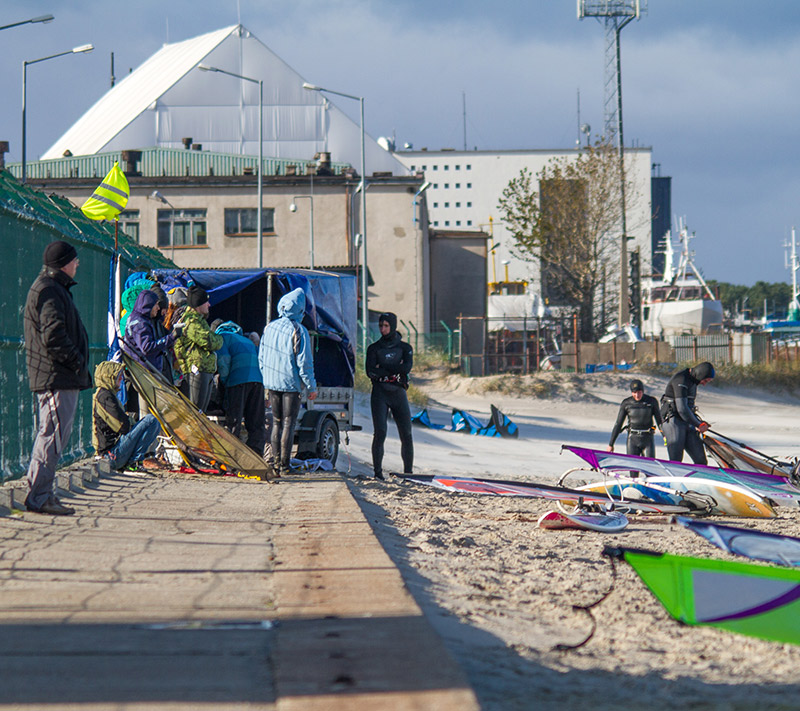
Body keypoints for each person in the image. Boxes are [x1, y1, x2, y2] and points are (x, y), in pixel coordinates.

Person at [23, 240, 92, 515]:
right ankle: (39, 497)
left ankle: (42, 493)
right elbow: (53, 335)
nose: (77, 264)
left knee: (53, 436)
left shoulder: (54, 288)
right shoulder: (49, 290)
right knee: (51, 436)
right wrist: (76, 361)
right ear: (64, 262)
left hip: (59, 376)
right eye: (74, 260)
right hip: (56, 377)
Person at [259, 288, 317, 476]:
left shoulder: (269, 327)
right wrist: (311, 386)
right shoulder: (299, 330)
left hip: (272, 383)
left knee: (276, 422)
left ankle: (275, 464)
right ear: (299, 310)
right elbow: (304, 363)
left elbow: (261, 358)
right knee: (289, 423)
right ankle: (285, 465)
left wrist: (266, 380)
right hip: (291, 385)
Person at [366, 312, 414, 480]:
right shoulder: (374, 348)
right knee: (380, 432)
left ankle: (408, 473)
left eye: (386, 326)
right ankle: (378, 474)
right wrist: (394, 369)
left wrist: (383, 369)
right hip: (380, 394)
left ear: (393, 326)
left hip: (398, 394)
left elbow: (406, 368)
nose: (382, 329)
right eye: (380, 326)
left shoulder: (405, 348)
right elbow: (370, 372)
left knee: (406, 434)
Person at [122, 289, 182, 417]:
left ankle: (153, 434)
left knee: (154, 409)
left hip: (148, 371)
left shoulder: (142, 319)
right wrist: (170, 338)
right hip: (144, 372)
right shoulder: (140, 323)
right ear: (147, 305)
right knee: (148, 410)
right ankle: (149, 436)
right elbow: (146, 347)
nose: (158, 308)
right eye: (156, 305)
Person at [92, 361, 161, 471]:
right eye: (118, 376)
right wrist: (131, 421)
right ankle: (133, 462)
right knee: (151, 420)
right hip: (111, 454)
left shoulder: (107, 394)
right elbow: (122, 426)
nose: (121, 380)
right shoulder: (104, 397)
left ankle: (134, 462)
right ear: (109, 377)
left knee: (154, 422)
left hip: (115, 451)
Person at [212, 320, 267, 456]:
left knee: (234, 421)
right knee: (256, 421)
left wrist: (224, 382)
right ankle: (255, 455)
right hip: (258, 380)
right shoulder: (246, 340)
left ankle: (232, 457)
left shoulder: (221, 337)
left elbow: (224, 362)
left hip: (238, 380)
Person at [173, 286, 222, 412]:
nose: (209, 305)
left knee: (201, 412)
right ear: (198, 304)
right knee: (196, 411)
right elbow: (209, 341)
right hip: (196, 370)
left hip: (205, 369)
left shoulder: (200, 321)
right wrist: (219, 339)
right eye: (206, 302)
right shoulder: (192, 321)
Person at [661, 361, 715, 464]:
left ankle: (698, 480)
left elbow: (688, 408)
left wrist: (699, 422)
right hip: (673, 421)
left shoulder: (693, 381)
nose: (704, 384)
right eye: (705, 380)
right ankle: (674, 479)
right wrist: (698, 424)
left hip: (686, 422)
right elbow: (682, 408)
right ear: (700, 374)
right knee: (676, 460)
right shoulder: (681, 379)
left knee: (701, 460)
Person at [608, 379, 663, 457]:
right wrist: (611, 444)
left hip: (648, 438)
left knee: (650, 466)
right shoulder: (626, 403)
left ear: (643, 391)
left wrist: (665, 436)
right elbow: (618, 424)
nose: (637, 395)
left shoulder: (651, 401)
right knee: (633, 468)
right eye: (634, 392)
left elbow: (659, 421)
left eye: (639, 392)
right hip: (632, 438)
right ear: (631, 392)